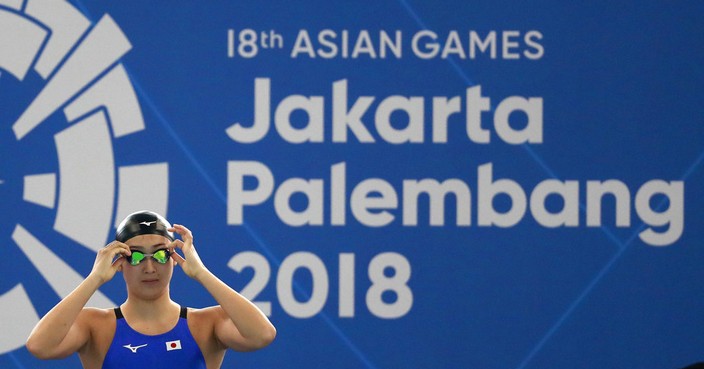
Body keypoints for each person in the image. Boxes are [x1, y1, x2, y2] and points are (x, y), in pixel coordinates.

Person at [25, 210, 276, 368]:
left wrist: (201, 273)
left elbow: (261, 335)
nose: (149, 267)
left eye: (160, 254)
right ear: (120, 262)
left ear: (174, 257)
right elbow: (40, 346)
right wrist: (94, 279)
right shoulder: (96, 326)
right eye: (135, 257)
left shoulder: (205, 324)